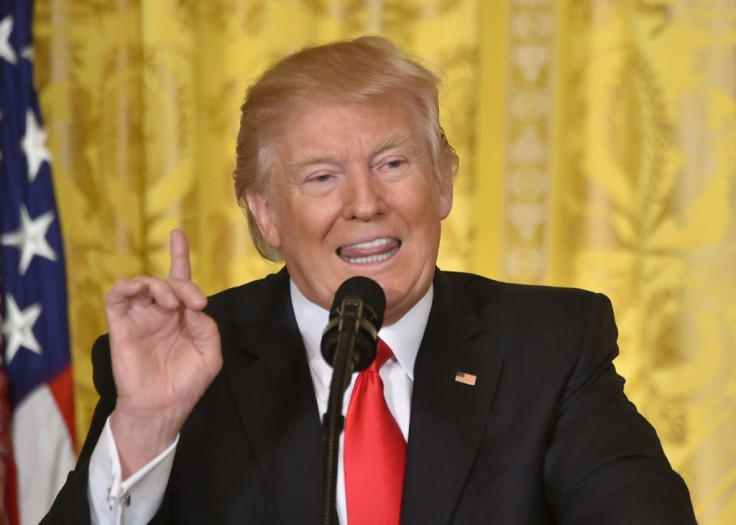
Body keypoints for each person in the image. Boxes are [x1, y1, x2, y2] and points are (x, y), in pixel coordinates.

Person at [44, 36, 696, 524]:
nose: (364, 202)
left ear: (443, 179)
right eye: (322, 176)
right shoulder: (186, 363)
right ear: (266, 213)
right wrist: (146, 430)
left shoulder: (549, 346)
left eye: (392, 162)